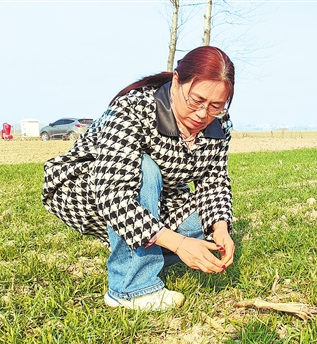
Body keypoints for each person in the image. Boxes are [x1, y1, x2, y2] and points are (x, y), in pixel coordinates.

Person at [43, 46, 237, 311]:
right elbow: (113, 196)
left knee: (201, 230)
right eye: (196, 101)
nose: (203, 114)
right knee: (145, 167)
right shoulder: (133, 108)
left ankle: (138, 250)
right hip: (90, 189)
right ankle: (130, 289)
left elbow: (214, 180)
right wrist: (179, 244)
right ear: (176, 81)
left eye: (216, 106)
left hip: (159, 194)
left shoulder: (219, 124)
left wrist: (220, 228)